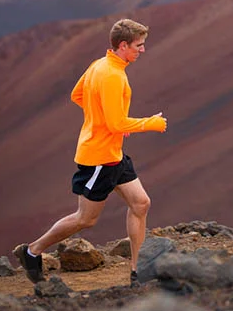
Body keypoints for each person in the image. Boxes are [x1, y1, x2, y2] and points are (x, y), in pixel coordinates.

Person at [15, 19, 167, 286]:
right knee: (85, 219)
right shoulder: (112, 75)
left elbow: (78, 95)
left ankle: (137, 270)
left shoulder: (101, 64)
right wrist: (150, 123)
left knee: (141, 203)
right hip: (99, 159)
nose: (142, 50)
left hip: (113, 154)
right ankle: (32, 251)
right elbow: (115, 123)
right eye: (139, 46)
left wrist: (106, 120)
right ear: (123, 45)